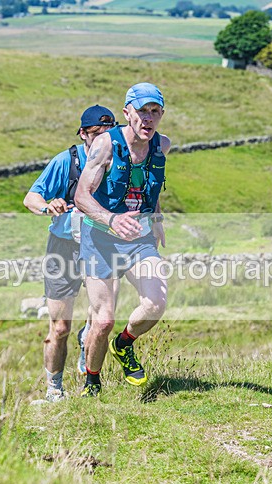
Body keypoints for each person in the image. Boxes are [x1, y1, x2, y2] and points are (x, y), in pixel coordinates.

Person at [74, 83, 170, 397]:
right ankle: (92, 381)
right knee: (102, 321)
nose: (148, 118)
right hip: (100, 238)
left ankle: (124, 344)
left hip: (139, 238)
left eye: (155, 111)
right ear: (127, 113)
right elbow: (81, 196)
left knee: (155, 304)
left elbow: (149, 185)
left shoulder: (162, 145)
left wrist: (157, 219)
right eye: (142, 111)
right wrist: (112, 219)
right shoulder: (106, 145)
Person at [23, 105, 116, 403]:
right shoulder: (67, 161)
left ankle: (88, 346)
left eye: (110, 133)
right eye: (96, 134)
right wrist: (47, 207)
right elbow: (31, 198)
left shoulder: (119, 163)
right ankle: (54, 389)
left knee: (101, 319)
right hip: (63, 246)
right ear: (83, 134)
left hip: (101, 244)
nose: (103, 140)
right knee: (60, 326)